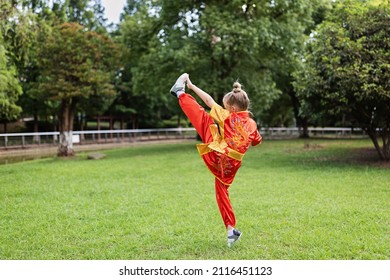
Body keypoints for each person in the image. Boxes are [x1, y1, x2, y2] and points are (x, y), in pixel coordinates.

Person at [170, 73, 262, 247]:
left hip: (220, 158)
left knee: (205, 121)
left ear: (233, 109)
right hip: (233, 165)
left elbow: (208, 101)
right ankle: (230, 230)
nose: (224, 109)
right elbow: (257, 140)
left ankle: (180, 93)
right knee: (222, 191)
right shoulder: (252, 124)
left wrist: (191, 86)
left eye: (226, 107)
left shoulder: (228, 116)